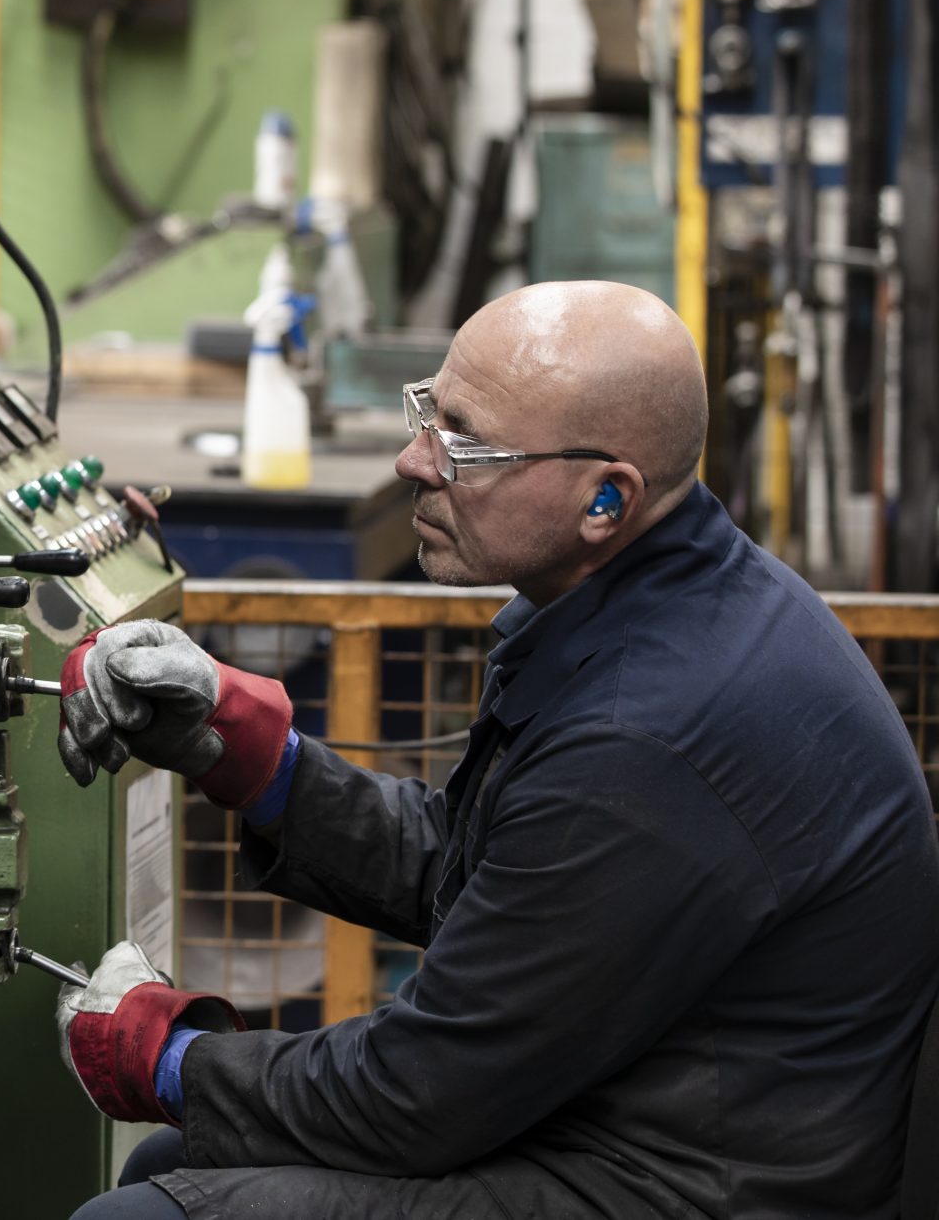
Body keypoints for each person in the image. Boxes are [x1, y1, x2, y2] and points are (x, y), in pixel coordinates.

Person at [51, 280, 939, 1219]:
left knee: (139, 1214)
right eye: (428, 413)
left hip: (684, 1187)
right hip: (632, 1112)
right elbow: (500, 876)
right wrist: (246, 751)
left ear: (607, 497)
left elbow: (418, 1093)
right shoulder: (658, 601)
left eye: (463, 445)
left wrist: (170, 1053)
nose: (412, 462)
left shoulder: (646, 733)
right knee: (172, 1158)